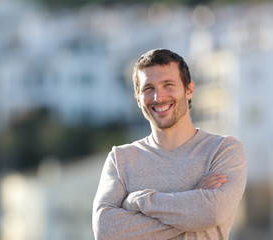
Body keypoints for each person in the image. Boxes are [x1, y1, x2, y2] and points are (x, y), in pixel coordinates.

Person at [92, 48, 247, 240]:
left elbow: (212, 213)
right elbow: (106, 231)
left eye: (168, 85)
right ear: (139, 100)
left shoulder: (223, 150)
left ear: (189, 90)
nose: (159, 97)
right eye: (149, 89)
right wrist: (194, 202)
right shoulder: (120, 159)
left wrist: (137, 202)